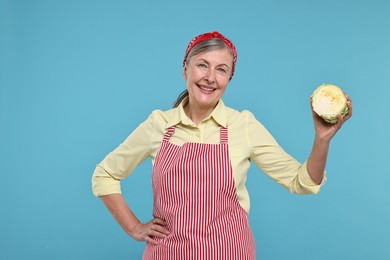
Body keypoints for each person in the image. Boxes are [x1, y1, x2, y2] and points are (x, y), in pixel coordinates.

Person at [92, 31, 353, 259]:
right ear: (185, 69)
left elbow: (303, 182)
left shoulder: (243, 125)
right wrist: (133, 227)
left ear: (229, 78)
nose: (210, 77)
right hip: (166, 254)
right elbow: (104, 175)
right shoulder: (159, 125)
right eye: (202, 65)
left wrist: (321, 139)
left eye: (221, 69)